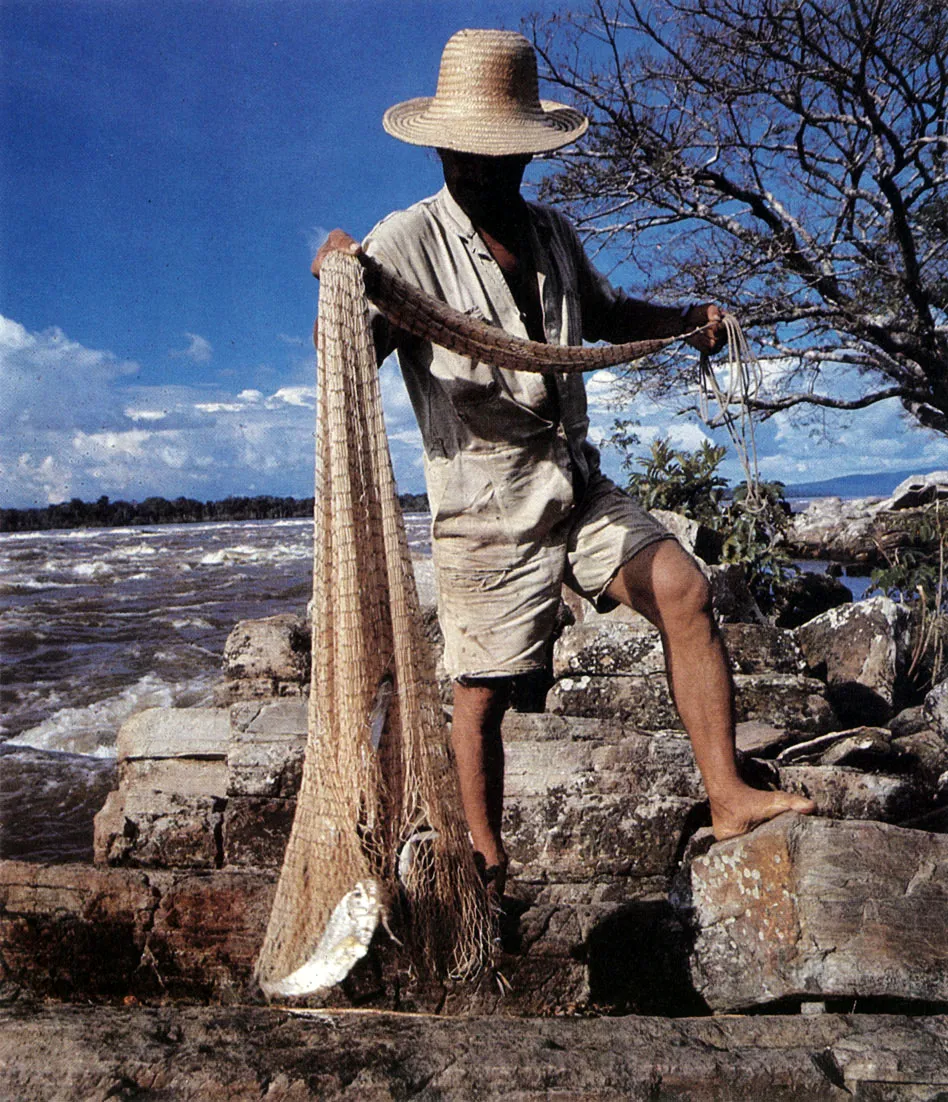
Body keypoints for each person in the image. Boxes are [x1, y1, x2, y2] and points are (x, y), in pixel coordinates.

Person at [313, 28, 815, 898]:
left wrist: (686, 320)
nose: (483, 169)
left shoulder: (551, 235)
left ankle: (728, 792)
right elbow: (353, 349)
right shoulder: (403, 244)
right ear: (441, 145)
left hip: (571, 483)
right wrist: (338, 279)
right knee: (483, 695)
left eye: (501, 155)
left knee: (685, 591)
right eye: (469, 153)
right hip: (484, 505)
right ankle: (487, 865)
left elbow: (613, 315)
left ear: (527, 154)